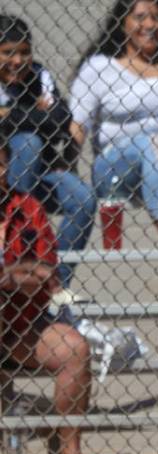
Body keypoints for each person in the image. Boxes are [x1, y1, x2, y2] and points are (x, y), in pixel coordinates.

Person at [69, 0, 158, 272]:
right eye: (140, 17)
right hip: (116, 167)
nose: (149, 25)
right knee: (154, 141)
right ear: (122, 23)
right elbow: (77, 125)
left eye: (155, 18)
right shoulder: (99, 68)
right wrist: (65, 167)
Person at [0, 137, 100, 454]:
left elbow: (48, 276)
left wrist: (10, 277)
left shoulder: (27, 207)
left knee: (74, 348)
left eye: (0, 164)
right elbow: (32, 272)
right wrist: (19, 272)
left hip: (21, 326)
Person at [0, 15, 97, 296]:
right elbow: (42, 124)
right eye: (8, 53)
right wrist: (35, 114)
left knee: (82, 199)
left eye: (24, 52)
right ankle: (19, 262)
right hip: (5, 184)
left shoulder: (39, 75)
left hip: (36, 175)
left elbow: (60, 117)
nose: (18, 61)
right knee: (29, 141)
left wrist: (11, 115)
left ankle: (53, 285)